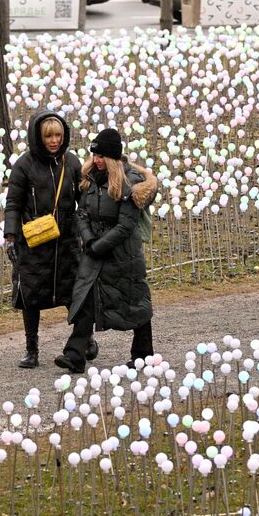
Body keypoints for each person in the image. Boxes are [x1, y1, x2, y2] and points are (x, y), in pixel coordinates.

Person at [56, 128, 158, 373]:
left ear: (111, 157)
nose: (96, 160)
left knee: (134, 303)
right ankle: (75, 355)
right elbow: (81, 213)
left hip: (124, 256)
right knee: (85, 298)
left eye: (101, 156)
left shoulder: (131, 183)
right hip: (95, 251)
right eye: (94, 156)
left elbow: (126, 225)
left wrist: (98, 246)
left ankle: (143, 355)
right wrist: (90, 241)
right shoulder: (90, 178)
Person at [2, 109, 96, 368]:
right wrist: (10, 236)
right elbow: (13, 203)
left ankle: (83, 338)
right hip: (33, 242)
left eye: (58, 135)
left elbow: (84, 201)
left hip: (66, 241)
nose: (54, 140)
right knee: (30, 296)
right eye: (48, 136)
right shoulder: (24, 165)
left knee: (73, 293)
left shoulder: (72, 163)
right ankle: (31, 349)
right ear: (38, 137)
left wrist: (88, 232)